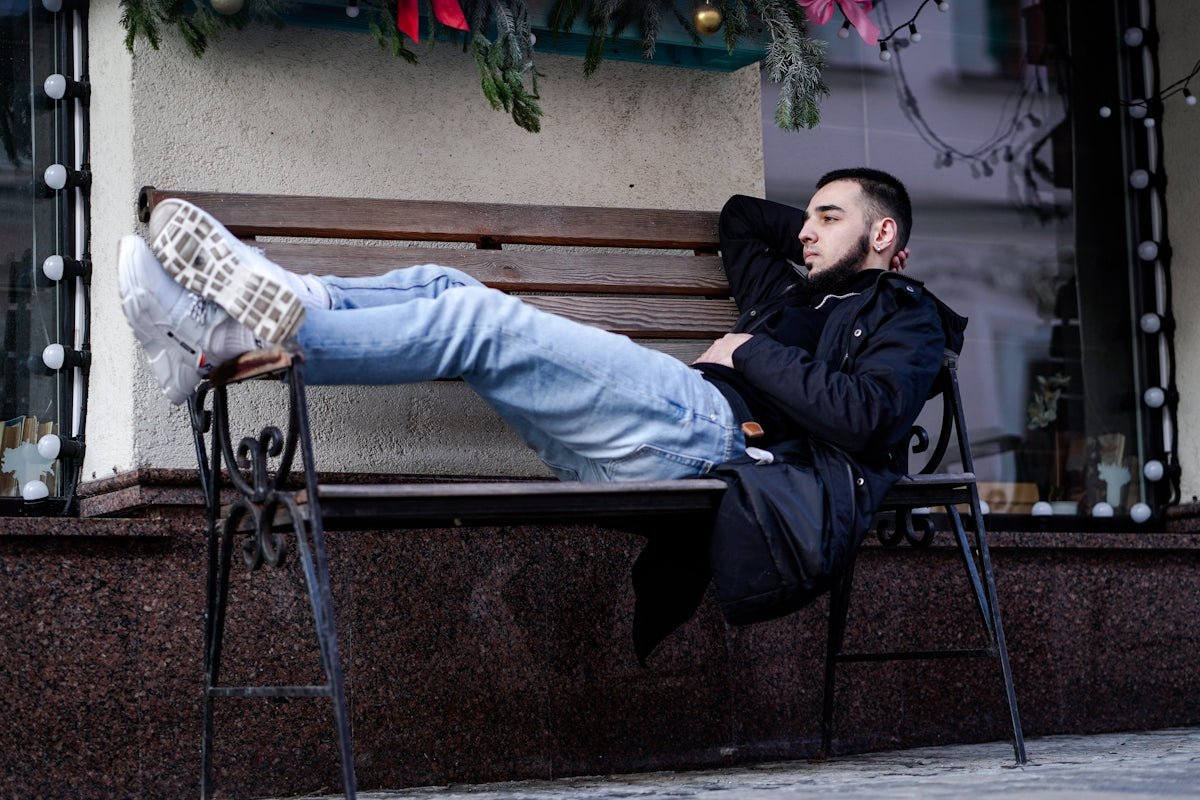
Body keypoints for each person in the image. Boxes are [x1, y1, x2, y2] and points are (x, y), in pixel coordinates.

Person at [118, 168, 962, 496]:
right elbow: (741, 217)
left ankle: (226, 341)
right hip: (659, 428)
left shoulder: (907, 314)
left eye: (827, 217)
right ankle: (284, 304)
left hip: (712, 438)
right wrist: (832, 236)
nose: (804, 232)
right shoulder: (789, 290)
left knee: (475, 322)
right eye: (806, 217)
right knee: (447, 285)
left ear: (885, 234)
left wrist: (749, 349)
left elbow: (866, 419)